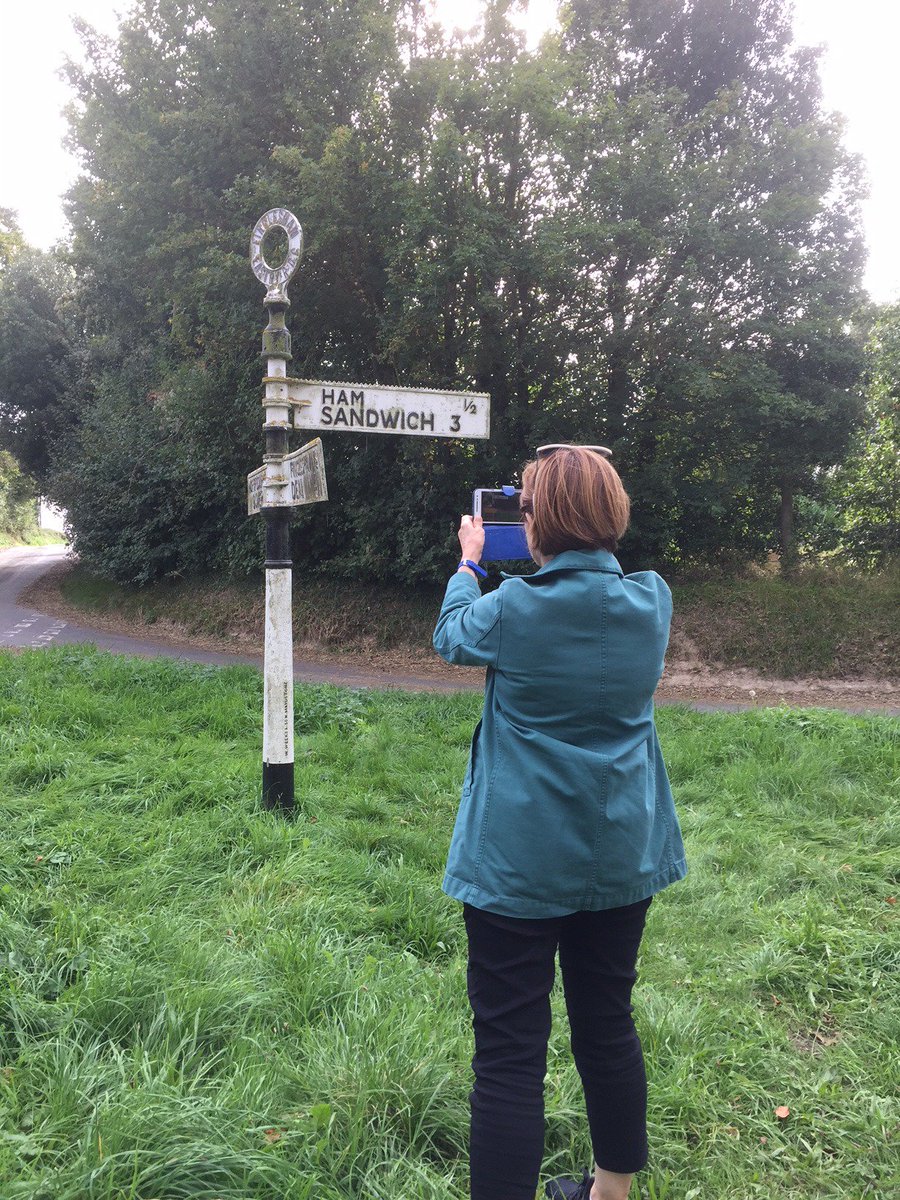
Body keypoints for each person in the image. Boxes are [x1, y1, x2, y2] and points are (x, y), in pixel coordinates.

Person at [432, 446, 686, 1200]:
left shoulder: (510, 609)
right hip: (621, 852)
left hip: (519, 860)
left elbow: (451, 636)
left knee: (510, 1054)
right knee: (607, 1025)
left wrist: (470, 563)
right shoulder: (653, 601)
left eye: (529, 508)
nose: (523, 521)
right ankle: (611, 1193)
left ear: (549, 520)